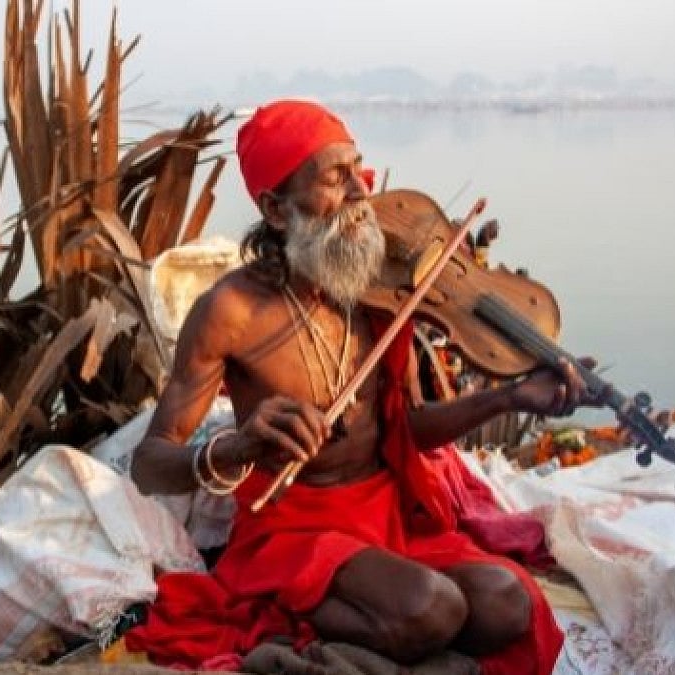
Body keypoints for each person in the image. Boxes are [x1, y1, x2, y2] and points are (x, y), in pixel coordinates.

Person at [125, 99, 592, 674]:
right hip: (293, 528)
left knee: (508, 604)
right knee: (432, 609)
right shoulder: (232, 311)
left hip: (386, 512)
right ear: (275, 208)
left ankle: (388, 630)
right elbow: (150, 463)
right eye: (335, 179)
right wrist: (238, 445)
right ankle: (301, 619)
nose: (360, 194)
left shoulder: (372, 291)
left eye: (359, 170)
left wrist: (508, 396)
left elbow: (408, 429)